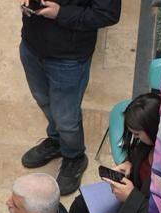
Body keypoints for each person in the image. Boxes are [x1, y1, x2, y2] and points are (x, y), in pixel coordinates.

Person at [18, 0, 122, 197]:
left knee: (66, 118)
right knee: (43, 100)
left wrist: (60, 13)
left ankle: (74, 156)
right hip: (31, 44)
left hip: (69, 58)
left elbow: (107, 14)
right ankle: (57, 140)